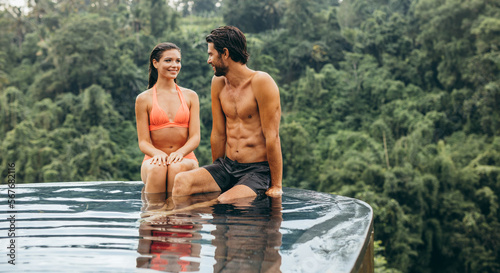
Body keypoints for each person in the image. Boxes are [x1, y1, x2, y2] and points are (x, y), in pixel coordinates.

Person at [173, 26, 283, 201]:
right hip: (227, 166)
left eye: (211, 54)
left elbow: (272, 136)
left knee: (224, 201)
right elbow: (218, 133)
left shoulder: (261, 82)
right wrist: (217, 171)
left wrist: (277, 186)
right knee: (181, 182)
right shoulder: (218, 83)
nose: (208, 60)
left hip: (256, 171)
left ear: (225, 53)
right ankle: (180, 228)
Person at [136, 42, 200, 193]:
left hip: (185, 158)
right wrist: (157, 154)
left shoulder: (190, 96)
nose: (174, 65)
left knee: (175, 167)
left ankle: (175, 213)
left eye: (178, 61)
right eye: (168, 60)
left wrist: (180, 153)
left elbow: (195, 137)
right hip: (154, 159)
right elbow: (143, 142)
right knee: (158, 168)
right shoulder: (144, 99)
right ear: (155, 63)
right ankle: (152, 215)